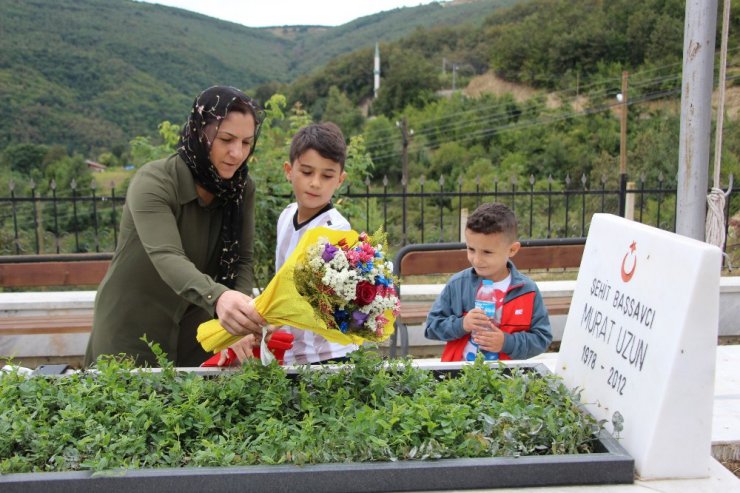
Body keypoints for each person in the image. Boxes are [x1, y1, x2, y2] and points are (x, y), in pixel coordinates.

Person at [84, 85, 267, 367]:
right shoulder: (154, 182)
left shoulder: (242, 189)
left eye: (246, 142)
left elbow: (242, 260)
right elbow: (166, 255)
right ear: (200, 133)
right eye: (226, 139)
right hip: (132, 330)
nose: (236, 153)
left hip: (199, 332)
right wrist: (218, 299)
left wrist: (238, 317)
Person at [216, 121, 358, 366]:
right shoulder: (286, 215)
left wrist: (267, 322)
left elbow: (312, 297)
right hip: (292, 353)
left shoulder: (335, 230)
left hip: (328, 355)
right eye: (306, 172)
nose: (315, 183)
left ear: (340, 180)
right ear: (288, 171)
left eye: (327, 175)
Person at [424, 202, 552, 361]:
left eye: (487, 252)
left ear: (512, 250)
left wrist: (507, 342)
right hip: (459, 378)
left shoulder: (527, 290)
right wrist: (462, 324)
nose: (477, 260)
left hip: (507, 381)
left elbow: (542, 339)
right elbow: (431, 327)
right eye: (471, 249)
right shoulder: (458, 284)